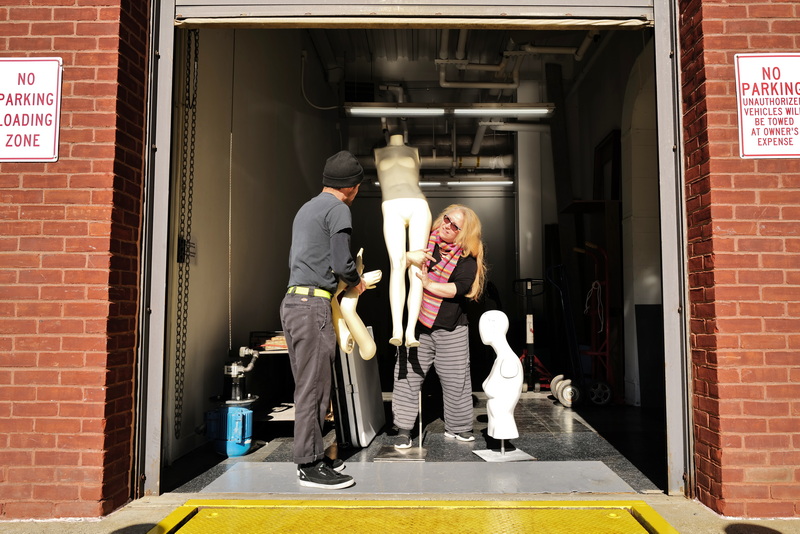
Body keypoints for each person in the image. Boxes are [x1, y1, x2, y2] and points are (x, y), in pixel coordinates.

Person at [280, 150, 367, 489]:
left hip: (292, 302)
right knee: (315, 390)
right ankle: (309, 465)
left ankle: (312, 457)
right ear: (353, 187)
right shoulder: (339, 208)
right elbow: (342, 260)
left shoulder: (307, 208)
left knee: (308, 387)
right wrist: (355, 280)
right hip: (312, 306)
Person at [391, 204, 487, 448]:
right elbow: (396, 263)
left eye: (455, 225)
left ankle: (459, 428)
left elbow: (459, 289)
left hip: (451, 328)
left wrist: (428, 283)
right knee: (407, 377)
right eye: (447, 219)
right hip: (418, 326)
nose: (447, 225)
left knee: (457, 381)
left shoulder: (466, 259)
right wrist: (407, 256)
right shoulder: (422, 242)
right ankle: (403, 429)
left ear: (464, 234)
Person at [374, 134, 432, 348]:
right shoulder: (378, 153)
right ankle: (397, 327)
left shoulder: (414, 150)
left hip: (418, 204)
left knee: (417, 267)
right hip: (391, 206)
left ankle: (410, 331)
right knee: (397, 265)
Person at [479, 310, 524, 441]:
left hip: (503, 420)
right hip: (497, 417)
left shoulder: (507, 361)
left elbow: (492, 389)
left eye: (483, 327)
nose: (481, 332)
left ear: (494, 327)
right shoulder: (502, 359)